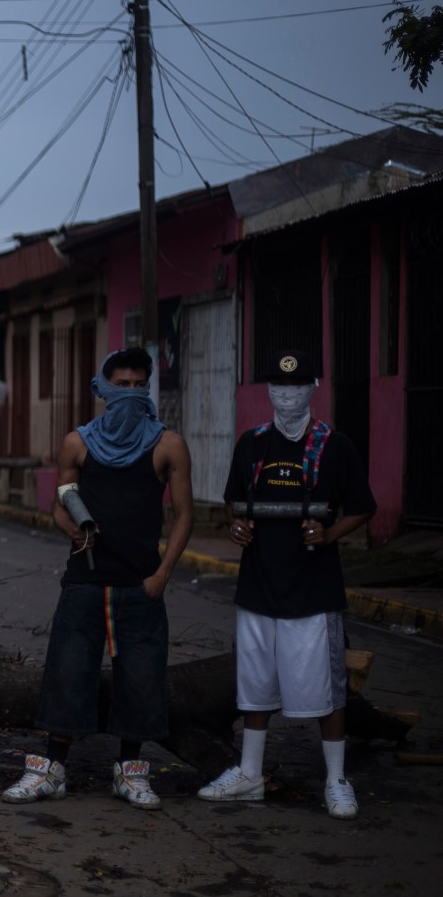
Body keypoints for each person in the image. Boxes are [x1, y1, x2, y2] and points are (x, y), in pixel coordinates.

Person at [3, 347, 192, 811]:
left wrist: (162, 575)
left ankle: (130, 773)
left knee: (141, 679)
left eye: (137, 385)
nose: (128, 394)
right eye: (120, 385)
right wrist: (69, 528)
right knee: (67, 672)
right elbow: (60, 499)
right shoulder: (78, 442)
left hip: (140, 584)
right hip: (84, 583)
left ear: (146, 388)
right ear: (101, 388)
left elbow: (185, 515)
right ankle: (51, 770)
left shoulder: (168, 444)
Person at [198, 349, 375, 820]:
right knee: (255, 685)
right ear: (268, 391)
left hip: (313, 589)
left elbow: (363, 506)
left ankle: (336, 779)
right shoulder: (252, 444)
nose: (287, 394)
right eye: (278, 386)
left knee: (325, 687)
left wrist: (330, 533)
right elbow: (235, 502)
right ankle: (250, 773)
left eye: (296, 386)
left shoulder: (335, 446)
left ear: (313, 388)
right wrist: (238, 528)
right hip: (258, 587)